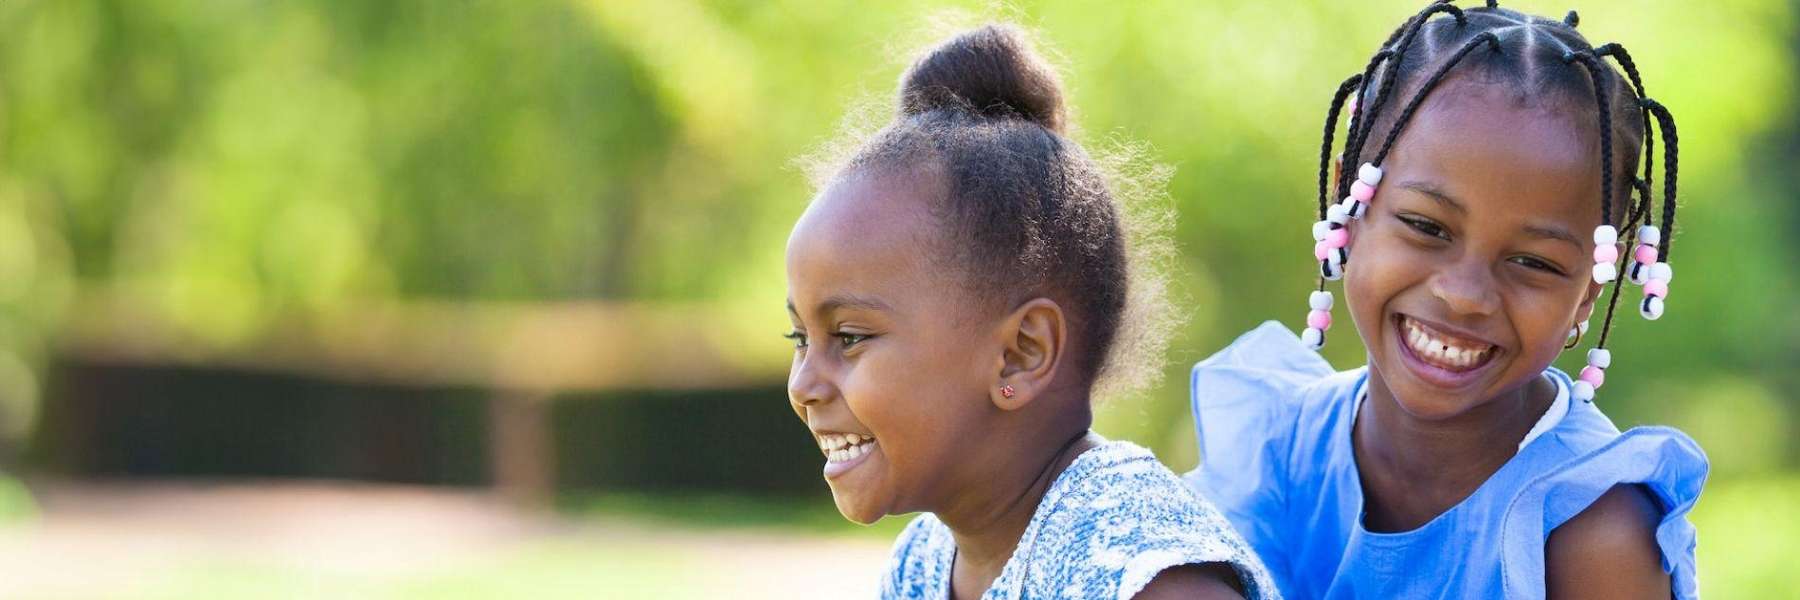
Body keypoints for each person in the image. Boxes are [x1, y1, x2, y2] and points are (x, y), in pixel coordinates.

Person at [1185, 2, 1706, 598]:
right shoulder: (1275, 452)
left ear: (1589, 288)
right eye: (1426, 226)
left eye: (1533, 262)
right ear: (1349, 200)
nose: (1463, 296)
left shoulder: (1590, 532)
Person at [785, 23, 1277, 600]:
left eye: (848, 337)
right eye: (798, 337)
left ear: (1021, 354)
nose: (803, 384)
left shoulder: (1143, 572)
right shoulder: (923, 561)